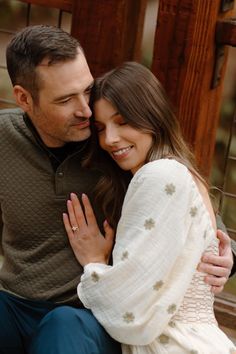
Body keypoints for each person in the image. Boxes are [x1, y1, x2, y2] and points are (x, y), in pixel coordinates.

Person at [0, 25, 233, 354]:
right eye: (66, 99)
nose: (86, 109)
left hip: (87, 315)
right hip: (14, 304)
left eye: (87, 89)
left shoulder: (117, 147)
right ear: (24, 98)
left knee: (63, 326)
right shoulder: (4, 139)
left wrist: (228, 254)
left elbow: (188, 208)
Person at [63, 62, 236, 353]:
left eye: (123, 121)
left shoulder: (161, 176)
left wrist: (93, 262)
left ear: (153, 117)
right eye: (101, 128)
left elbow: (127, 307)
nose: (110, 139)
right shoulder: (179, 174)